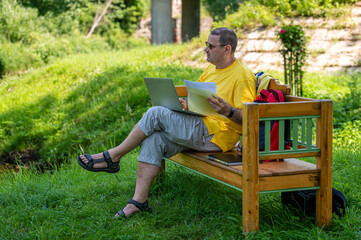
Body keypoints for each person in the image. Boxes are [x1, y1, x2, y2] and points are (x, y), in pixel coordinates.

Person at [77, 27, 256, 218]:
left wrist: (228, 111)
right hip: (200, 126)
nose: (205, 49)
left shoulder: (242, 76)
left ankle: (112, 157)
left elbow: (250, 117)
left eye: (210, 46)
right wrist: (186, 105)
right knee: (154, 139)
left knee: (156, 113)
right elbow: (202, 103)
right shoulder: (212, 69)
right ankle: (138, 202)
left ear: (227, 49)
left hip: (218, 135)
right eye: (206, 45)